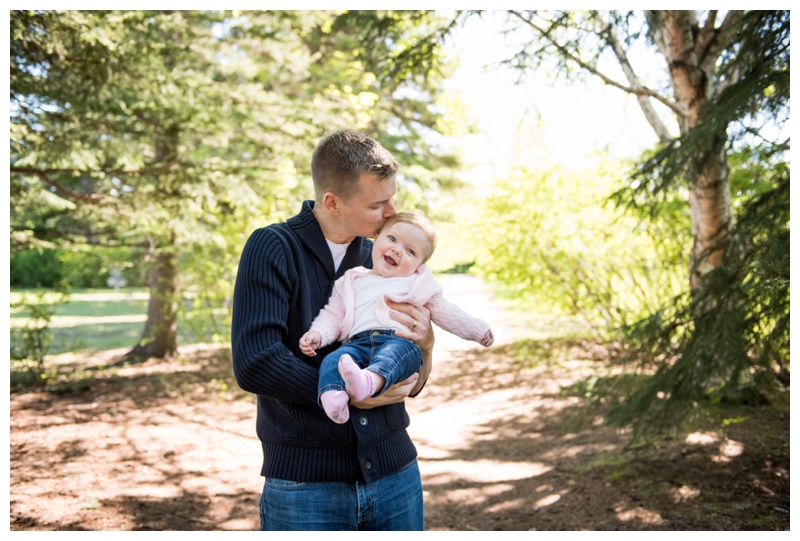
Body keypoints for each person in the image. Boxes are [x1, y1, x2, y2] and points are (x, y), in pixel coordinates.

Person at [231, 129, 435, 531]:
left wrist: (426, 347)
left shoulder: (386, 254)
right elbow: (255, 362)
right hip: (306, 486)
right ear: (332, 202)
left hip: (396, 473)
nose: (393, 212)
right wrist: (346, 396)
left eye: (392, 198)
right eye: (378, 204)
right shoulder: (272, 246)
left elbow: (412, 374)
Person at [300, 212, 494, 425]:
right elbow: (334, 315)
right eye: (392, 239)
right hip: (357, 344)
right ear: (376, 236)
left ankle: (369, 381)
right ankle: (334, 399)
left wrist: (477, 329)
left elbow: (446, 311)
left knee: (399, 355)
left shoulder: (415, 283)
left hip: (396, 341)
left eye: (410, 251)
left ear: (419, 265)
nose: (397, 250)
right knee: (333, 360)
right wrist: (317, 334)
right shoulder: (352, 280)